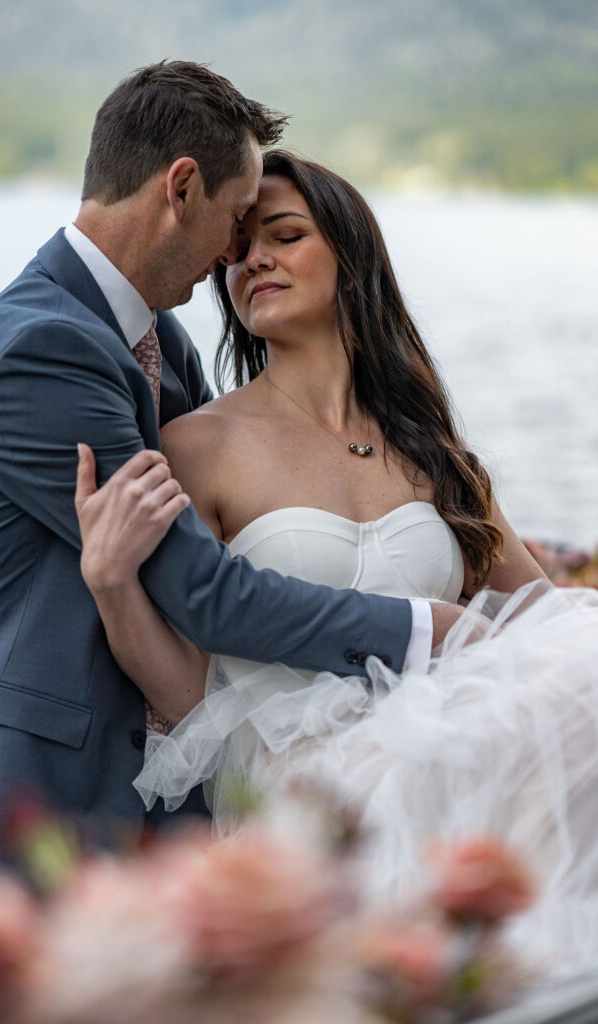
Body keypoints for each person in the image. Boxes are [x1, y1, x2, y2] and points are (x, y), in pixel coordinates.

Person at [0, 65, 463, 890]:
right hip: (33, 770)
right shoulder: (37, 348)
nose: (233, 256)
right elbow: (201, 588)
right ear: (181, 188)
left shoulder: (160, 345)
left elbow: (239, 519)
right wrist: (420, 630)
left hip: (173, 778)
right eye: (237, 220)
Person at [76, 151, 598, 976]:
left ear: (350, 260)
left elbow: (538, 614)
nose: (254, 260)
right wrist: (110, 583)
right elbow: (188, 692)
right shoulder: (197, 445)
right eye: (240, 248)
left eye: (284, 236)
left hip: (451, 738)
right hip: (307, 782)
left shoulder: (430, 448)